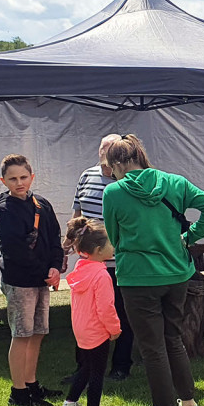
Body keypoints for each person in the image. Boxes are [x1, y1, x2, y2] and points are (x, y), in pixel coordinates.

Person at [102, 134, 204, 406]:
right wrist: (188, 237)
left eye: (109, 167)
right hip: (177, 273)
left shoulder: (114, 192)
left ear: (117, 164)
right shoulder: (175, 182)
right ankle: (188, 404)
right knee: (173, 339)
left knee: (152, 348)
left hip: (137, 277)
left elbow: (113, 238)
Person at [0, 154, 64, 406]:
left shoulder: (42, 204)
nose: (19, 182)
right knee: (22, 335)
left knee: (37, 333)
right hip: (20, 280)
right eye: (13, 179)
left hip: (42, 278)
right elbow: (14, 250)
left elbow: (55, 237)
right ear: (4, 181)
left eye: (23, 177)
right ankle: (19, 392)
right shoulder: (6, 209)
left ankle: (32, 384)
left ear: (32, 177)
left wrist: (56, 267)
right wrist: (44, 272)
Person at [70, 133, 135, 381]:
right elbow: (77, 213)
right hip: (89, 262)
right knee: (85, 315)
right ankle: (83, 368)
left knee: (120, 312)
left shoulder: (128, 181)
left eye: (110, 151)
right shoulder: (86, 176)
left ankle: (121, 365)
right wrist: (70, 238)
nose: (105, 155)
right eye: (102, 149)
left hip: (119, 263)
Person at [57, 217, 121, 406]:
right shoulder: (102, 276)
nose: (113, 246)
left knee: (85, 368)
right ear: (98, 249)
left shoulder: (80, 270)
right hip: (97, 332)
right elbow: (106, 308)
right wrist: (114, 329)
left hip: (82, 331)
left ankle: (69, 404)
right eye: (110, 243)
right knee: (97, 373)